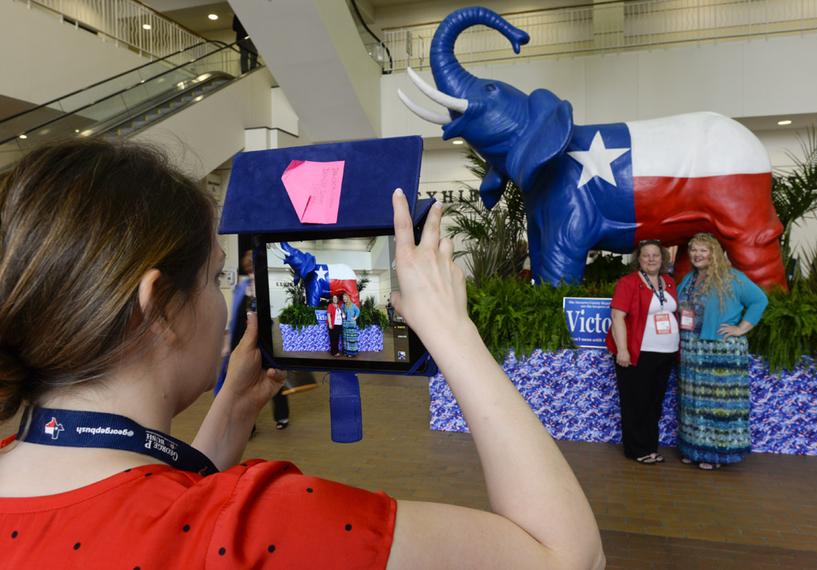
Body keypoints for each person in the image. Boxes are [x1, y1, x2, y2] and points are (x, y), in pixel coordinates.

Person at [0, 140, 604, 569]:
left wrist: (231, 413)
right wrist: (452, 329)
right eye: (214, 279)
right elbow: (567, 556)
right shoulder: (259, 528)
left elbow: (153, 508)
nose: (226, 300)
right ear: (158, 307)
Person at [677, 232, 768, 471]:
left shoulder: (732, 278)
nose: (697, 254)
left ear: (714, 253)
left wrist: (741, 328)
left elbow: (759, 300)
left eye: (703, 250)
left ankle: (715, 454)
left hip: (720, 351)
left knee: (716, 404)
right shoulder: (689, 279)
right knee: (693, 402)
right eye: (694, 250)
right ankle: (693, 449)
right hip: (691, 348)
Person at [605, 240, 679, 464]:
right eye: (646, 255)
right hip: (639, 352)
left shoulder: (668, 282)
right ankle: (637, 449)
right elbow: (617, 317)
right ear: (639, 259)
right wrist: (623, 350)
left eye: (655, 255)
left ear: (662, 258)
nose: (651, 259)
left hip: (665, 353)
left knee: (654, 403)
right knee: (636, 402)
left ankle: (650, 446)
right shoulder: (628, 283)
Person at [216, 248, 291, 430]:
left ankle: (282, 416)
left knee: (272, 377)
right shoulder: (242, 287)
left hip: (264, 340)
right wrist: (229, 341)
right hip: (241, 341)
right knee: (242, 382)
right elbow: (235, 315)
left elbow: (276, 313)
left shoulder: (266, 286)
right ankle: (248, 424)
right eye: (248, 264)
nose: (250, 267)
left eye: (253, 264)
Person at [341, 292, 361, 358]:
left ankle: (352, 353)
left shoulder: (353, 305)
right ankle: (347, 352)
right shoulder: (343, 306)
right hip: (345, 324)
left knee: (351, 339)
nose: (344, 299)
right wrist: (342, 315)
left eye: (345, 297)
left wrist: (355, 317)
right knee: (346, 339)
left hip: (351, 324)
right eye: (343, 298)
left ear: (348, 298)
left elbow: (358, 311)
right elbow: (342, 313)